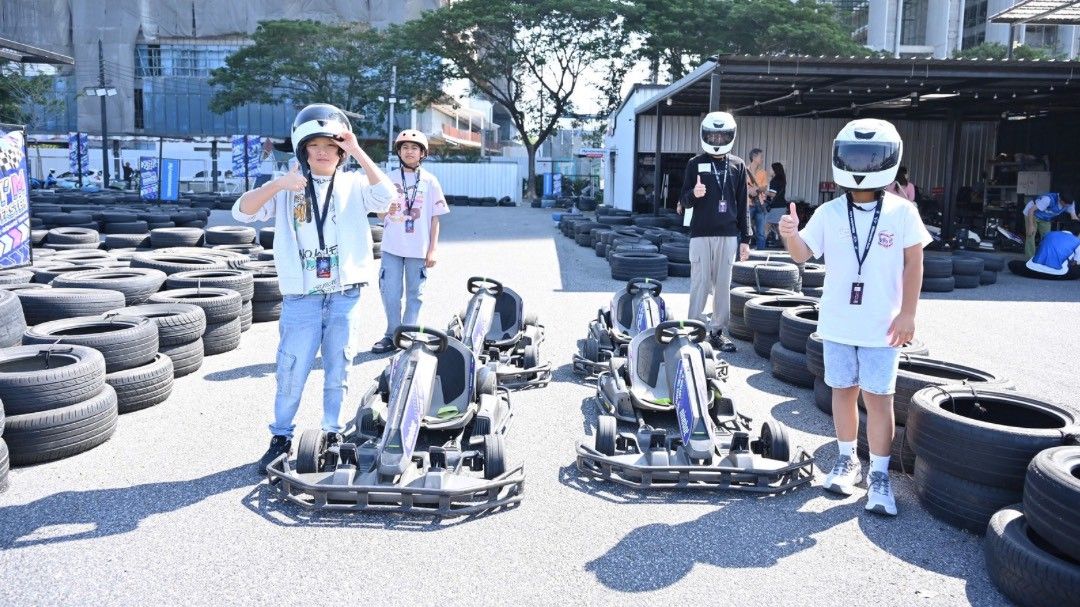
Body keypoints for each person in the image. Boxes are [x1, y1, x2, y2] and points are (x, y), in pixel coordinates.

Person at [232, 103, 398, 474]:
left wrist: (358, 150)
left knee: (339, 367)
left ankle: (332, 433)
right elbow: (242, 212)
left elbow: (387, 198)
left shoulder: (355, 184)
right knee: (291, 369)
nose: (322, 151)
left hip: (344, 294)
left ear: (340, 151)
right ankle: (281, 437)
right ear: (303, 149)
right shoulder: (287, 185)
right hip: (301, 296)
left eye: (331, 145)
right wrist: (278, 185)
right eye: (314, 145)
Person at [779, 118, 931, 516]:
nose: (862, 165)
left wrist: (909, 314)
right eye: (855, 156)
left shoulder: (903, 212)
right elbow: (801, 255)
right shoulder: (829, 212)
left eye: (871, 157)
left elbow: (914, 264)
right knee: (842, 392)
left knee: (879, 399)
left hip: (884, 325)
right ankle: (848, 460)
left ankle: (879, 475)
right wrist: (790, 232)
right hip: (838, 321)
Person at [677, 111, 751, 353]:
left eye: (722, 136)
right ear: (705, 135)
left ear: (730, 136)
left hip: (728, 235)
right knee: (699, 283)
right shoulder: (694, 164)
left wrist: (746, 238)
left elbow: (743, 203)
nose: (717, 140)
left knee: (722, 286)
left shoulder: (738, 165)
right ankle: (694, 330)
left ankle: (717, 332)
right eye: (713, 136)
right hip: (700, 233)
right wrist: (694, 194)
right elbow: (683, 201)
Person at [371, 129, 450, 354]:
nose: (409, 151)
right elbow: (380, 215)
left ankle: (407, 335)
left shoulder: (430, 181)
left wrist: (433, 250)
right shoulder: (388, 179)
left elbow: (435, 219)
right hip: (392, 247)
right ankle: (391, 334)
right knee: (390, 292)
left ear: (422, 153)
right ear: (398, 151)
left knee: (416, 294)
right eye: (404, 147)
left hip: (419, 248)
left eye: (414, 148)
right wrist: (386, 209)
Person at [1007, 220, 1080, 280]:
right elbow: (1076, 262)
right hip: (1058, 274)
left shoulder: (1048, 234)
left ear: (1064, 227)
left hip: (1033, 270)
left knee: (1012, 263)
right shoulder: (1077, 241)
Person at [1023, 192, 1078, 258]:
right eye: (1065, 205)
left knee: (1047, 237)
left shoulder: (1070, 203)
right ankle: (1030, 259)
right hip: (1032, 214)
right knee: (1031, 235)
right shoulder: (1048, 199)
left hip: (1045, 218)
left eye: (1068, 205)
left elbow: (1074, 217)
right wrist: (1031, 226)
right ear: (1061, 200)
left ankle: (1043, 257)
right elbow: (1031, 210)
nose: (1067, 206)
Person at [747, 148, 768, 250]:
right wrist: (749, 190)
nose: (762, 159)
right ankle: (741, 254)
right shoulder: (744, 170)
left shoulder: (763, 172)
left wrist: (756, 189)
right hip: (747, 204)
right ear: (754, 157)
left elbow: (765, 187)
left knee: (761, 233)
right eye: (761, 157)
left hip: (759, 204)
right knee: (745, 231)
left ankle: (761, 255)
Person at [764, 162, 788, 246]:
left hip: (776, 207)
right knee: (780, 229)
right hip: (782, 206)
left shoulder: (774, 180)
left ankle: (760, 245)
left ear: (775, 170)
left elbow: (773, 194)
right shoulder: (782, 180)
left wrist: (762, 191)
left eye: (771, 169)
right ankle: (788, 248)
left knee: (766, 225)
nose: (769, 170)